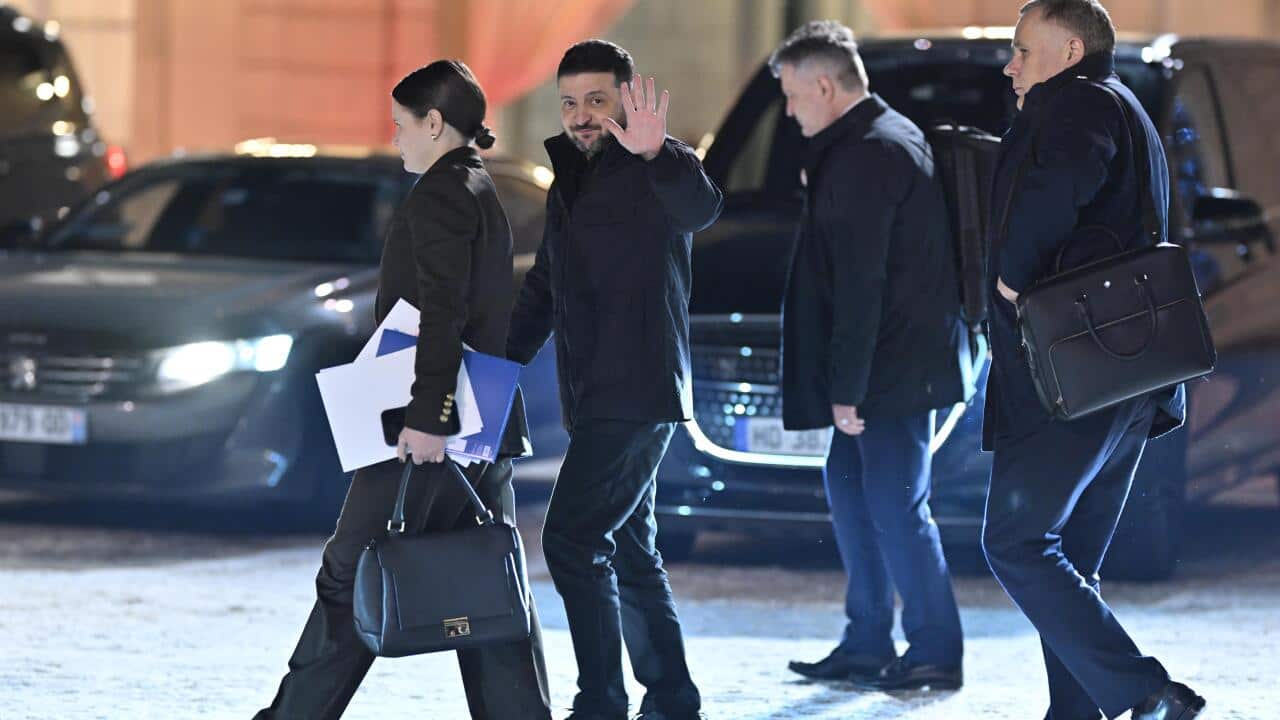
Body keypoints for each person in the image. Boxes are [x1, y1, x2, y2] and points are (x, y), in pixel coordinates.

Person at [254, 60, 552, 720]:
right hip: (485, 417)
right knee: (491, 584)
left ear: (436, 124)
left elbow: (442, 313)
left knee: (347, 575)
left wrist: (429, 418)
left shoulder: (443, 194)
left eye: (401, 126)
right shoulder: (477, 186)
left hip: (430, 424)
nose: (396, 140)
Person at [982, 2, 1204, 719]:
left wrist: (1013, 276)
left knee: (1016, 542)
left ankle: (1145, 692)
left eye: (1022, 50)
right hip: (1124, 372)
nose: (1010, 65)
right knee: (1069, 559)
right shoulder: (1123, 105)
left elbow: (1056, 189)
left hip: (1071, 372)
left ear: (1070, 50)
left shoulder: (1075, 106)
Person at [506, 39, 722, 720]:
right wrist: (492, 367)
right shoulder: (572, 177)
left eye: (595, 101)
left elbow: (702, 209)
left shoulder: (654, 172)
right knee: (631, 549)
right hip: (595, 395)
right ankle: (672, 698)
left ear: (626, 100)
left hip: (638, 391)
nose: (580, 116)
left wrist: (664, 152)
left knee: (571, 540)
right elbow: (544, 286)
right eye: (569, 103)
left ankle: (599, 701)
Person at [769, 20, 971, 691]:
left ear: (825, 85)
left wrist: (848, 386)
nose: (790, 110)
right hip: (892, 365)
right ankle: (866, 640)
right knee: (858, 499)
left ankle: (935, 648)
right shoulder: (871, 141)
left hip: (891, 371)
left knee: (892, 505)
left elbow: (863, 281)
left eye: (794, 95)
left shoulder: (871, 152)